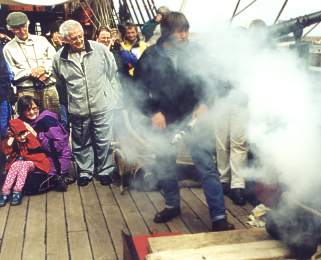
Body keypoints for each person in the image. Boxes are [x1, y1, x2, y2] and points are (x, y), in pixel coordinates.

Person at [134, 12, 234, 232]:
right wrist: (153, 113)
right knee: (165, 165)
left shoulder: (197, 52)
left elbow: (216, 80)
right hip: (165, 119)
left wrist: (205, 102)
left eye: (187, 30)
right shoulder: (150, 56)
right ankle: (172, 205)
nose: (185, 35)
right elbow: (137, 91)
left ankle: (218, 217)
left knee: (207, 167)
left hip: (194, 118)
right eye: (180, 31)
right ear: (168, 32)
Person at [53, 20, 118, 186]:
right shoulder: (59, 58)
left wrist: (109, 95)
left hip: (102, 105)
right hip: (78, 108)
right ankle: (85, 172)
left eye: (80, 36)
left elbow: (112, 73)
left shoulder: (100, 50)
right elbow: (60, 84)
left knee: (104, 140)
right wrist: (69, 103)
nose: (79, 40)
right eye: (74, 39)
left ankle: (105, 170)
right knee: (81, 142)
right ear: (66, 40)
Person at [2, 12, 60, 113]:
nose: (21, 31)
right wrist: (30, 73)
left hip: (48, 87)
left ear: (28, 24)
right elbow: (10, 71)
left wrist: (44, 70)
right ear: (10, 29)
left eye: (23, 26)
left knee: (54, 121)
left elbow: (54, 59)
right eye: (16, 28)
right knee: (30, 123)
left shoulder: (41, 40)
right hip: (26, 90)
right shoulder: (8, 48)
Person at [17, 95, 72, 180]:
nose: (32, 112)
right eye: (27, 110)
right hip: (39, 158)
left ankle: (59, 177)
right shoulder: (22, 122)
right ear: (22, 112)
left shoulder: (47, 120)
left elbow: (58, 146)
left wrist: (37, 135)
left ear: (38, 107)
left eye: (34, 108)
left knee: (30, 181)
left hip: (57, 159)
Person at [0, 119, 51, 206]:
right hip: (20, 163)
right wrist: (11, 139)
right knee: (16, 164)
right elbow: (6, 152)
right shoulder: (13, 140)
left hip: (36, 162)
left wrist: (28, 134)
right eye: (19, 135)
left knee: (23, 164)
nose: (22, 136)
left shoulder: (29, 137)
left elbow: (36, 151)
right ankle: (5, 191)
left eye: (24, 133)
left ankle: (17, 191)